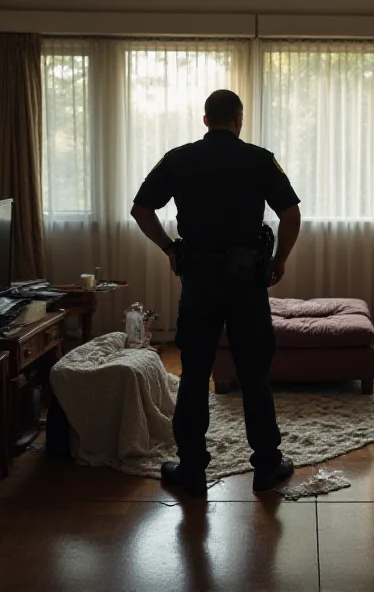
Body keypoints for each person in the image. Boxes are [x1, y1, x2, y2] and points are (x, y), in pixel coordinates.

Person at [130, 89, 302, 496]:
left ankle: (191, 468)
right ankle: (266, 466)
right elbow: (291, 214)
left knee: (194, 373)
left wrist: (170, 248)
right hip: (247, 285)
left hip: (199, 282)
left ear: (205, 120)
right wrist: (279, 260)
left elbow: (140, 208)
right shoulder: (260, 159)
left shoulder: (178, 158)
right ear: (238, 120)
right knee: (255, 375)